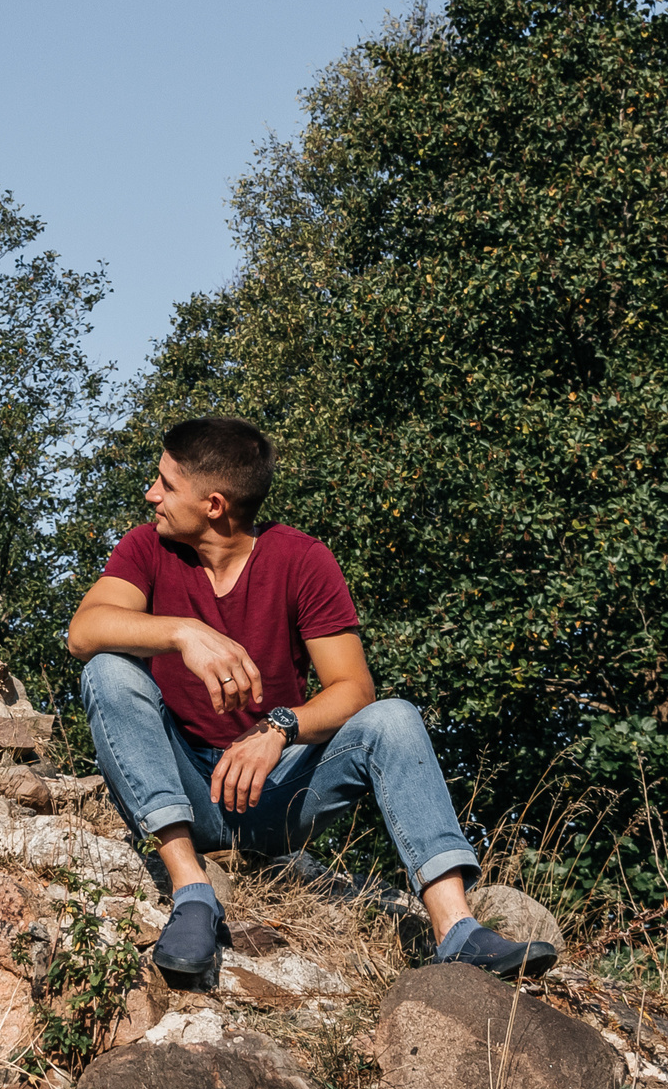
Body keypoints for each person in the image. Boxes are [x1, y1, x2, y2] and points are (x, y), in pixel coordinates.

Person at [68, 416, 558, 986]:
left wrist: (279, 728)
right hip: (183, 790)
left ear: (214, 505)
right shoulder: (147, 547)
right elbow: (84, 632)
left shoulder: (302, 560)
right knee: (107, 668)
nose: (151, 495)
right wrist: (183, 632)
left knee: (393, 718)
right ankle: (192, 892)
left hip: (277, 795)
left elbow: (355, 689)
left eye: (166, 484)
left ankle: (458, 930)